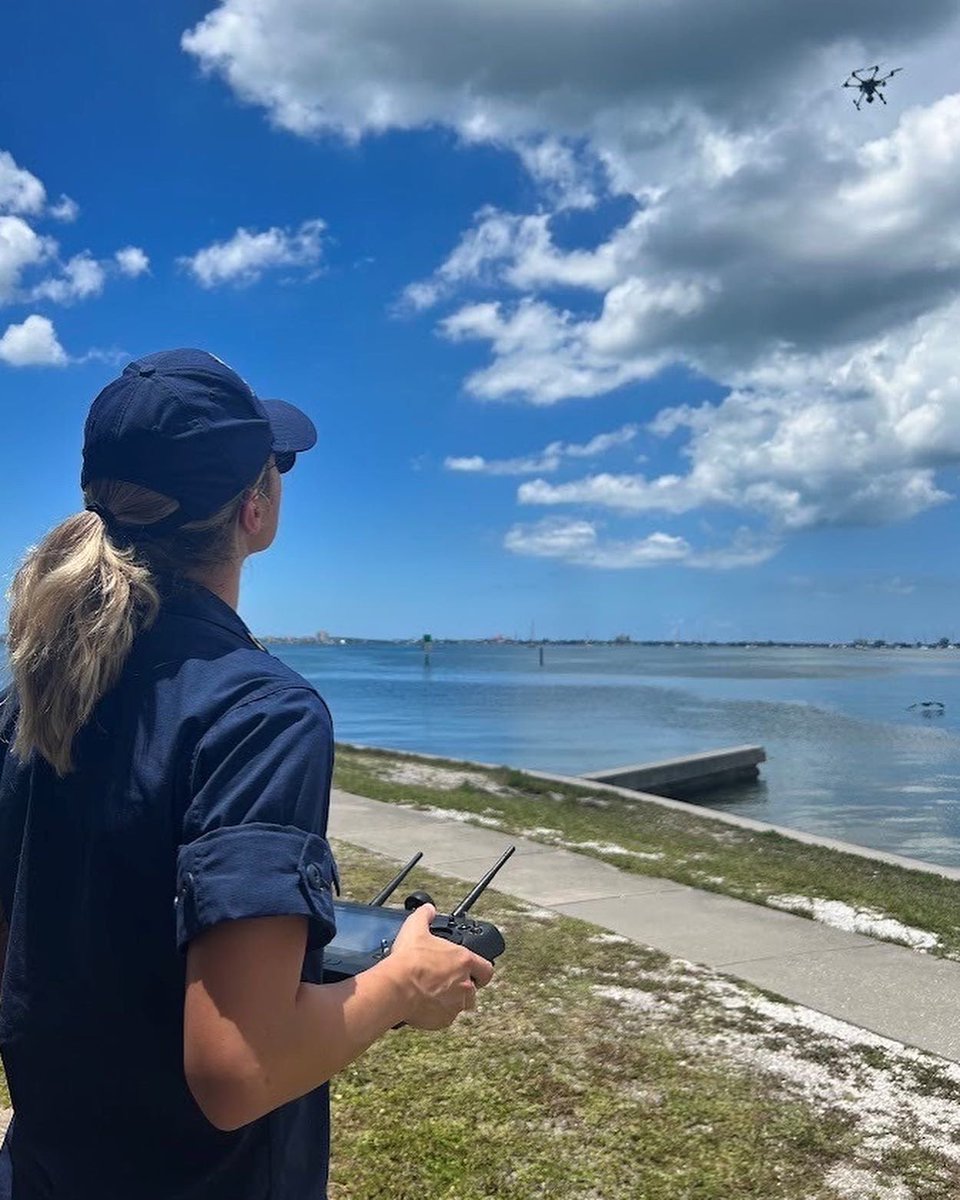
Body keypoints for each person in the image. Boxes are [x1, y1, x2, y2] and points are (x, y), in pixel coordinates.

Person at [0, 349, 493, 1199]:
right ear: (255, 509)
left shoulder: (29, 701)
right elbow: (238, 1068)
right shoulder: (261, 715)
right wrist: (406, 981)